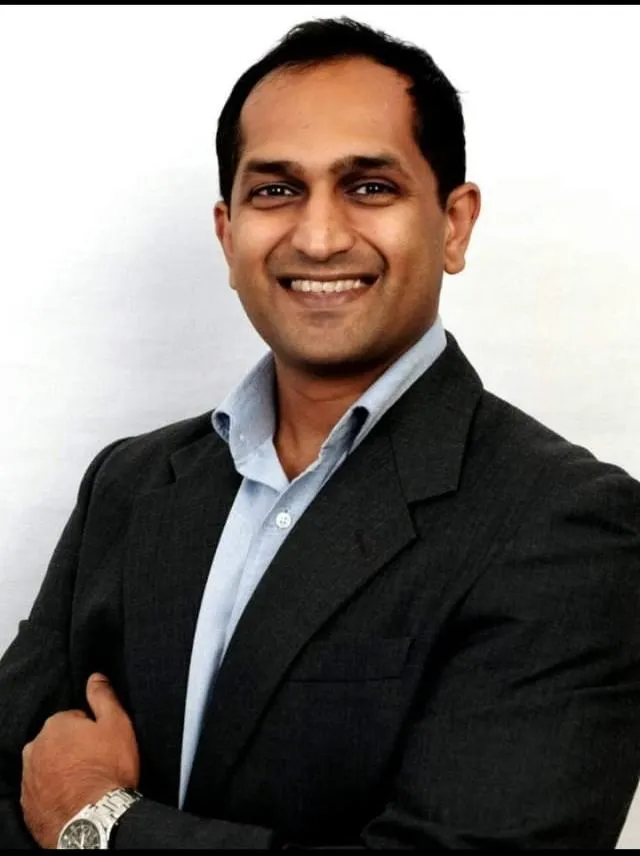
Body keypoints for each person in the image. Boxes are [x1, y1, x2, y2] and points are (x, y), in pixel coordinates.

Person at [2, 16, 640, 850]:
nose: (320, 236)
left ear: (454, 224)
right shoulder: (129, 483)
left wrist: (97, 822)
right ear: (228, 233)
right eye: (276, 191)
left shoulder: (566, 525)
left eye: (369, 186)